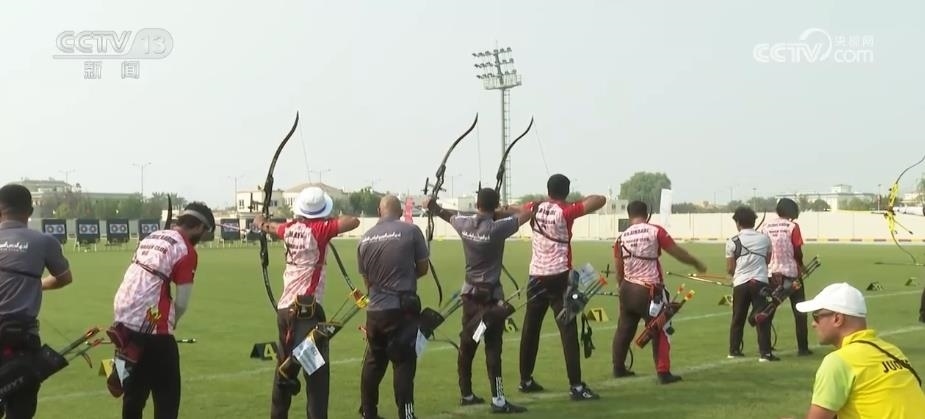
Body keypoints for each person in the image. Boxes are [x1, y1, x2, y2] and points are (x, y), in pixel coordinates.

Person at [253, 186, 360, 419]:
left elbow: (270, 226)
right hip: (307, 313)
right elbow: (353, 221)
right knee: (316, 376)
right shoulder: (320, 229)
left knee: (284, 370)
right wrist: (328, 220)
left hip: (285, 311)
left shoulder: (289, 228)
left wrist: (260, 221)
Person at [425, 188, 532, 414]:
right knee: (493, 347)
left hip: (470, 297)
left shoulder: (464, 224)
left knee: (468, 343)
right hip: (491, 301)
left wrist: (433, 206)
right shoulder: (498, 227)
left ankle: (466, 394)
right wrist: (503, 211)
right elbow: (528, 213)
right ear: (495, 205)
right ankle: (498, 400)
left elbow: (445, 214)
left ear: (476, 204)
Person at [111, 201, 215, 419]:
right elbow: (182, 302)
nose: (202, 238)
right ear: (198, 227)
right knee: (167, 398)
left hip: (122, 322)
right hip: (153, 327)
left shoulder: (150, 237)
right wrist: (172, 322)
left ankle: (122, 372)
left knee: (133, 396)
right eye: (204, 232)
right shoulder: (185, 249)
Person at [518, 174, 606, 400]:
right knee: (568, 330)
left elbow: (512, 209)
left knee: (530, 329)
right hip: (559, 277)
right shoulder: (566, 211)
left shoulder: (535, 207)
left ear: (548, 190)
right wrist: (573, 202)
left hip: (536, 276)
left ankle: (525, 380)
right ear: (566, 192)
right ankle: (576, 386)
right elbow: (600, 199)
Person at [797, 282, 925, 418]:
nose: (813, 324)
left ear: (837, 319)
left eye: (816, 316)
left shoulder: (838, 362)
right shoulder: (892, 350)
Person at [611, 200, 707, 383]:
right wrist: (695, 262)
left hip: (627, 288)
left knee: (624, 329)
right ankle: (663, 372)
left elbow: (618, 268)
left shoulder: (620, 238)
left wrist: (621, 287)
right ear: (647, 215)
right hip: (649, 290)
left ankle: (618, 368)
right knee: (660, 327)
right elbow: (676, 252)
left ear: (629, 216)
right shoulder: (655, 231)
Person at [0, 184, 73, 419]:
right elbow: (64, 278)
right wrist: (36, 283)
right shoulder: (44, 241)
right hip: (21, 340)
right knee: (21, 409)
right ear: (30, 211)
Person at [356, 195, 429, 419]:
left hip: (375, 312)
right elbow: (423, 268)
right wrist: (403, 278)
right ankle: (406, 415)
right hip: (401, 310)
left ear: (379, 211)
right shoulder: (411, 231)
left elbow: (367, 282)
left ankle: (369, 412)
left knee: (373, 363)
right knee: (404, 363)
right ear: (399, 211)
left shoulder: (365, 239)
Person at [759, 197, 812, 355]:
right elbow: (797, 251)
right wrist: (801, 265)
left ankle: (765, 349)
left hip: (772, 274)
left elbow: (763, 250)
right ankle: (802, 348)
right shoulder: (793, 226)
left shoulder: (766, 227)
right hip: (792, 274)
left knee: (768, 311)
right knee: (800, 311)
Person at [725, 206, 777, 362]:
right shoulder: (765, 239)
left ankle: (734, 350)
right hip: (760, 282)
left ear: (738, 222)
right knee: (762, 318)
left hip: (740, 283)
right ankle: (765, 354)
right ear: (754, 222)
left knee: (738, 317)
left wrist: (736, 275)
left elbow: (730, 268)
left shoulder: (732, 241)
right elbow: (767, 260)